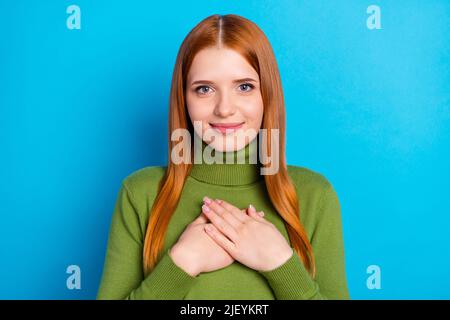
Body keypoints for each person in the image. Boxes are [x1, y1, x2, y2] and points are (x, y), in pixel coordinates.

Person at [96, 14, 350, 300]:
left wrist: (280, 264)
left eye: (244, 87)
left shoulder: (315, 195)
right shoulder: (140, 193)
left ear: (267, 94)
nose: (224, 109)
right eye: (204, 89)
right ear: (184, 98)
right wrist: (182, 263)